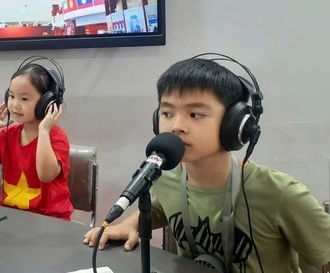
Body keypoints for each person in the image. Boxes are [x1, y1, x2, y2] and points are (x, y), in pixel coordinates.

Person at [84, 56, 330, 272]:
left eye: (195, 115)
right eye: (167, 113)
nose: (176, 126)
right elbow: (159, 208)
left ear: (235, 125)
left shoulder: (281, 193)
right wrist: (129, 224)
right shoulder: (167, 177)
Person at [0, 56, 73, 220]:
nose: (15, 105)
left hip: (48, 220)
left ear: (47, 102)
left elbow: (45, 175)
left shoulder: (56, 137)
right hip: (9, 216)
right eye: (12, 96)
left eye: (24, 99)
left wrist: (43, 131)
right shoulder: (9, 134)